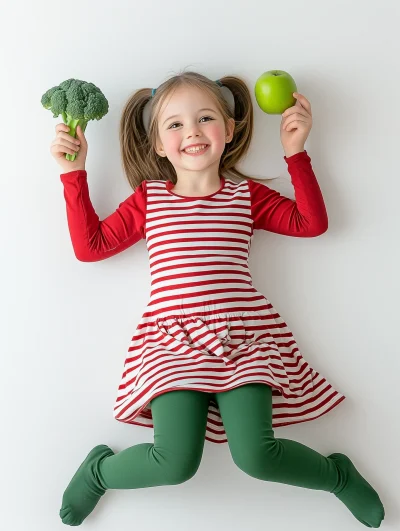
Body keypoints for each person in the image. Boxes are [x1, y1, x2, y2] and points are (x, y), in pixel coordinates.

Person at [50, 71, 384, 527]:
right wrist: (74, 173)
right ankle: (99, 473)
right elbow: (91, 247)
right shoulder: (150, 200)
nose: (191, 130)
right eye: (174, 124)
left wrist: (295, 152)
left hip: (242, 339)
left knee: (258, 457)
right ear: (157, 145)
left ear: (228, 130)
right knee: (174, 462)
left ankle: (337, 477)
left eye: (205, 118)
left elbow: (311, 222)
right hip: (172, 341)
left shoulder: (246, 196)